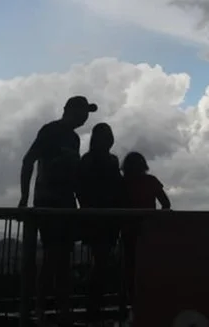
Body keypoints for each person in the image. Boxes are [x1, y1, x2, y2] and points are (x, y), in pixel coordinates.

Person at [19, 95, 97, 326]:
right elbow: (28, 160)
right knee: (53, 256)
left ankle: (62, 308)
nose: (85, 118)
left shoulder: (73, 138)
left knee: (64, 258)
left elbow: (73, 173)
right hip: (48, 201)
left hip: (66, 203)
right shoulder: (50, 131)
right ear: (70, 110)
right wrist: (24, 196)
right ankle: (41, 308)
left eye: (87, 114)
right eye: (82, 112)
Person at [76, 123, 125, 324]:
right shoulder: (105, 161)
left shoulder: (89, 160)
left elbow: (80, 187)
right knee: (102, 262)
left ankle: (94, 306)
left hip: (102, 217)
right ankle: (95, 306)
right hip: (104, 218)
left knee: (101, 262)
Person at [120, 152, 170, 313]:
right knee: (146, 266)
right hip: (147, 232)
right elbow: (166, 204)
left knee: (130, 267)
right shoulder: (150, 181)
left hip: (130, 232)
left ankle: (133, 302)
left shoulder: (123, 183)